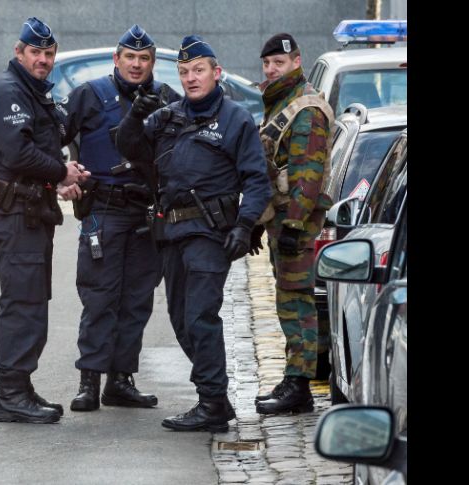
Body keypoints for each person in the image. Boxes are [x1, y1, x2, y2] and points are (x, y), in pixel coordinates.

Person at [116, 35, 271, 432]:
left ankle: (212, 403)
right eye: (184, 72)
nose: (190, 78)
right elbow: (129, 148)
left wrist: (244, 225)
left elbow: (256, 180)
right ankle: (216, 397)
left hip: (208, 233)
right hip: (171, 231)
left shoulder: (235, 119)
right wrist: (136, 115)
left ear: (216, 73)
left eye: (198, 70)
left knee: (201, 316)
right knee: (182, 319)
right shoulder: (169, 115)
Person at [56, 25, 182, 412]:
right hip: (104, 210)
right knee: (100, 297)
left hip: (146, 212)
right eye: (130, 57)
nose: (137, 64)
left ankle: (121, 380)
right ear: (117, 59)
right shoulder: (89, 95)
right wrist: (61, 173)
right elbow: (52, 137)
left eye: (144, 59)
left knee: (137, 299)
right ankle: (89, 382)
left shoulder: (166, 99)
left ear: (152, 63)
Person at [0, 17, 90, 424]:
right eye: (35, 52)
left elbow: (41, 144)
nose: (43, 60)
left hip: (28, 213)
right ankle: (11, 395)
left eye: (48, 53)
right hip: (15, 216)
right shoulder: (10, 91)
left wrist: (57, 175)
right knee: (23, 307)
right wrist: (62, 174)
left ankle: (20, 389)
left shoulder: (30, 91)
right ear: (18, 52)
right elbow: (17, 155)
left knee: (30, 305)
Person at [252, 33, 334, 415]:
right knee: (288, 298)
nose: (271, 70)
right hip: (283, 220)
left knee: (297, 302)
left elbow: (308, 175)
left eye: (278, 64)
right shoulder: (281, 102)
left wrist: (294, 227)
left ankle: (299, 386)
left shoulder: (306, 108)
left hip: (297, 224)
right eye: (267, 64)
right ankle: (293, 377)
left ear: (297, 62)